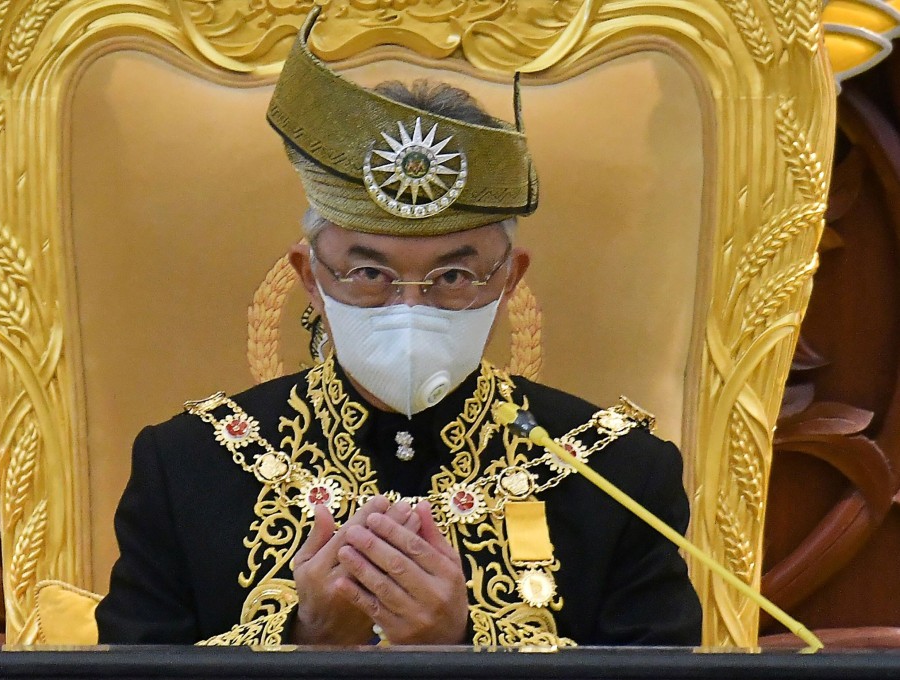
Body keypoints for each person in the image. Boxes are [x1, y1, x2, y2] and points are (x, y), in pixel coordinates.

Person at [95, 9, 702, 647]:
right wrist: (308, 642)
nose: (409, 308)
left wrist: (462, 647)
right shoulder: (189, 464)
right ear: (309, 275)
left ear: (508, 278)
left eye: (452, 278)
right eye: (368, 272)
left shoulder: (619, 475)